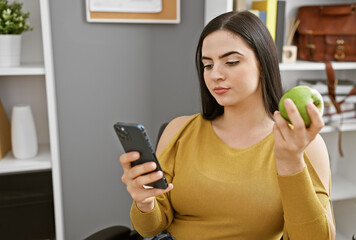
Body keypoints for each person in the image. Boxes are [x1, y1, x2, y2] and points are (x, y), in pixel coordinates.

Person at [120, 10, 335, 240]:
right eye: (208, 65)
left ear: (263, 64)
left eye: (231, 62)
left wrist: (291, 163)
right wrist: (144, 202)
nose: (216, 75)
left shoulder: (301, 145)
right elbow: (149, 228)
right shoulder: (179, 130)